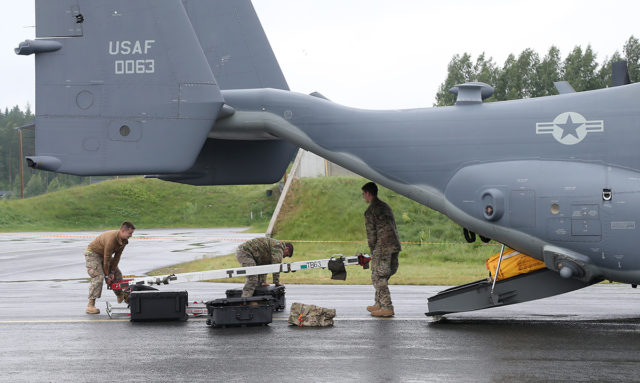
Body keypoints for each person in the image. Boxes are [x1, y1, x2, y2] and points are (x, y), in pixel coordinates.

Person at [362, 182, 401, 317]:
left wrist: (373, 250)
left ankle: (386, 306)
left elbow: (371, 235)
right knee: (382, 273)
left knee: (378, 275)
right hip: (394, 245)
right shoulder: (386, 207)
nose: (363, 197)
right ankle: (378, 303)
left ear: (368, 193)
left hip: (383, 246)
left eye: (363, 194)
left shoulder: (370, 211)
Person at [84, 222, 135, 314]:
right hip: (93, 254)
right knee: (99, 276)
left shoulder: (124, 241)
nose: (131, 236)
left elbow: (116, 257)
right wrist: (107, 276)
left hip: (103, 255)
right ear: (123, 231)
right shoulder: (111, 239)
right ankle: (90, 305)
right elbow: (107, 259)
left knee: (117, 274)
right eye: (129, 233)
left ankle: (121, 295)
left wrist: (112, 272)